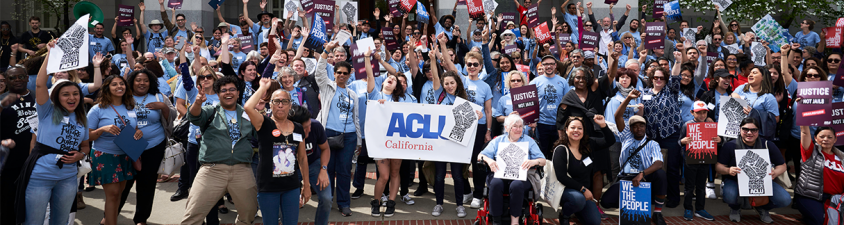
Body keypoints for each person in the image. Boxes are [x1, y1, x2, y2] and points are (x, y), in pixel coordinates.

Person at [15, 40, 88, 225]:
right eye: (66, 94)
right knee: (34, 221)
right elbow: (40, 84)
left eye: (75, 94)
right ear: (57, 97)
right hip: (40, 175)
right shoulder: (47, 111)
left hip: (68, 178)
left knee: (61, 221)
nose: (72, 98)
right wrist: (49, 54)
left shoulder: (82, 118)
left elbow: (85, 146)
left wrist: (81, 154)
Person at [181, 76, 259, 224]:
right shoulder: (210, 111)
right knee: (192, 215)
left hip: (242, 169)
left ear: (238, 92)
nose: (228, 93)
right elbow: (194, 116)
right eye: (223, 90)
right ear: (218, 94)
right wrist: (197, 102)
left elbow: (262, 134)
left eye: (232, 89)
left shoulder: (248, 114)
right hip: (212, 170)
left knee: (248, 214)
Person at [244, 77, 310, 225]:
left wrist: (306, 184)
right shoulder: (263, 123)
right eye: (276, 101)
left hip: (291, 187)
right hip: (268, 187)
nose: (280, 105)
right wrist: (262, 88)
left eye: (284, 101)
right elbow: (248, 107)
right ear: (270, 104)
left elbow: (302, 158)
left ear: (290, 105)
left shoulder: (298, 128)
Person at [115, 69, 175, 225]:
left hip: (154, 146)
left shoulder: (158, 96)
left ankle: (141, 219)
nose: (142, 83)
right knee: (123, 183)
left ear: (151, 83)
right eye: (138, 80)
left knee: (147, 183)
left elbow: (172, 117)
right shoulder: (122, 97)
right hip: (127, 145)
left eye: (146, 80)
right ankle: (111, 216)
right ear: (132, 81)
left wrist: (164, 107)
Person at [602, 89, 668, 225]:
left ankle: (657, 213)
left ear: (645, 127)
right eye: (635, 127)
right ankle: (630, 203)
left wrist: (642, 174)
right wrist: (628, 99)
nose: (639, 129)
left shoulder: (652, 144)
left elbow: (658, 163)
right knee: (606, 202)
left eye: (641, 126)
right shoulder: (626, 136)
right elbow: (617, 116)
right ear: (630, 129)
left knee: (660, 174)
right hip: (626, 177)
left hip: (644, 177)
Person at [314, 41, 361, 217]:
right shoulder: (327, 87)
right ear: (334, 74)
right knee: (328, 168)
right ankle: (326, 200)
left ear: (349, 75)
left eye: (345, 73)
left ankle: (343, 203)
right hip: (327, 134)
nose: (341, 75)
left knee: (344, 170)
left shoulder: (352, 94)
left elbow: (356, 118)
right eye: (338, 73)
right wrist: (326, 51)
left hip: (348, 136)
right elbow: (319, 71)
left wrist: (358, 139)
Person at [364, 48, 413, 217]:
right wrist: (366, 57)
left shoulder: (401, 100)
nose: (391, 79)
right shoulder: (374, 94)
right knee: (383, 176)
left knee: (394, 173)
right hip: (380, 142)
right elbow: (370, 76)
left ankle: (391, 202)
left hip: (397, 141)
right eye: (389, 78)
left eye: (394, 79)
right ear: (383, 83)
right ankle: (376, 202)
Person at [86, 74, 140, 225]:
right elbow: (87, 136)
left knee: (118, 195)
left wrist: (137, 132)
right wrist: (103, 129)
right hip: (105, 155)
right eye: (114, 84)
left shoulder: (130, 106)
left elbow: (134, 128)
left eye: (121, 84)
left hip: (125, 154)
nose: (119, 87)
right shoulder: (97, 110)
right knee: (113, 194)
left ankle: (107, 222)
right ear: (107, 88)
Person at [717, 117, 790, 224]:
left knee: (785, 199)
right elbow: (718, 166)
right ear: (740, 129)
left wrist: (776, 172)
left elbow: (782, 165)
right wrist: (728, 170)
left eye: (753, 130)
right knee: (730, 195)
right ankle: (735, 208)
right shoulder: (730, 145)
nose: (749, 133)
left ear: (758, 131)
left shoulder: (767, 145)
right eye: (745, 129)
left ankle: (763, 208)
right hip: (735, 180)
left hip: (762, 182)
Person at [478, 114, 548, 225]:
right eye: (515, 126)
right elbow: (480, 156)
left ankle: (514, 221)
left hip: (522, 176)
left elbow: (543, 160)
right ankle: (496, 221)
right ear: (506, 128)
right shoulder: (498, 140)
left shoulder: (529, 141)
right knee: (496, 184)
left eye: (521, 126)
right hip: (499, 174)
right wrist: (490, 161)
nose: (519, 129)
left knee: (516, 185)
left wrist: (533, 162)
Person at [642, 51, 685, 208]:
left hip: (670, 135)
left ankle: (673, 198)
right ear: (651, 79)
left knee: (672, 169)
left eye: (661, 78)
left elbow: (675, 76)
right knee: (654, 168)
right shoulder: (644, 94)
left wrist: (678, 61)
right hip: (652, 137)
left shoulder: (670, 90)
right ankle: (654, 196)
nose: (658, 80)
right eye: (655, 77)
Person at [677, 101, 720, 221]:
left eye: (704, 113)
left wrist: (719, 139)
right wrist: (683, 141)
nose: (702, 115)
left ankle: (700, 209)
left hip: (705, 160)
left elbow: (715, 141)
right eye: (698, 113)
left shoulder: (711, 125)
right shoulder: (687, 125)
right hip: (690, 160)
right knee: (689, 187)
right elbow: (679, 142)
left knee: (701, 186)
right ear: (692, 113)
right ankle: (688, 208)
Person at [796, 125, 844, 225]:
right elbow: (804, 131)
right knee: (821, 221)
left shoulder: (841, 158)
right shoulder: (810, 152)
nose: (825, 139)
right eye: (822, 137)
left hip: (836, 199)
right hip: (810, 197)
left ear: (835, 139)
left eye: (830, 137)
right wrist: (805, 114)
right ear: (815, 138)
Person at [530, 55, 571, 155]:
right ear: (542, 66)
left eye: (551, 64)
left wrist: (564, 122)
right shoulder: (535, 82)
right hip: (541, 124)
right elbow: (530, 103)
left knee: (557, 153)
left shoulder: (563, 81)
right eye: (546, 64)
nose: (549, 66)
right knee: (541, 152)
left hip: (558, 124)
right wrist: (532, 121)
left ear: (555, 65)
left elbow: (567, 103)